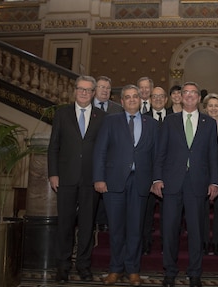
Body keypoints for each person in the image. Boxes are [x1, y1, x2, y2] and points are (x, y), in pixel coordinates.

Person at [151, 82, 218, 287]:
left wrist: (214, 181)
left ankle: (195, 272)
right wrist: (157, 178)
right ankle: (170, 271)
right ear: (179, 97)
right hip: (172, 183)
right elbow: (160, 153)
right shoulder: (170, 121)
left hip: (198, 183)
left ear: (199, 98)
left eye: (193, 93)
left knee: (197, 231)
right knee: (170, 229)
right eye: (185, 93)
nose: (189, 96)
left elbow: (213, 156)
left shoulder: (209, 123)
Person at [93, 84, 158, 286]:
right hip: (113, 182)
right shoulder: (110, 121)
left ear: (140, 100)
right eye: (127, 97)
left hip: (140, 183)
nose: (131, 100)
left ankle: (133, 270)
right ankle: (115, 269)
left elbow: (157, 157)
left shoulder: (152, 124)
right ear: (121, 102)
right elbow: (100, 151)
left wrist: (155, 180)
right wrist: (99, 178)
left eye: (135, 97)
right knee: (116, 228)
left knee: (135, 229)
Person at [48, 75, 106, 283]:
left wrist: (101, 177)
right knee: (64, 224)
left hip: (91, 180)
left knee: (87, 225)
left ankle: (83, 265)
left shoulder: (102, 116)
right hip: (65, 178)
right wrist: (53, 174)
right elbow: (54, 146)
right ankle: (62, 266)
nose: (84, 93)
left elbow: (104, 150)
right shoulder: (62, 114)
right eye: (80, 89)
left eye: (88, 90)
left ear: (93, 94)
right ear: (75, 91)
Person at [142, 86, 172, 255]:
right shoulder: (143, 118)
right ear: (150, 99)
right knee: (146, 213)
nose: (159, 99)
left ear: (166, 99)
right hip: (147, 173)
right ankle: (145, 243)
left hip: (169, 174)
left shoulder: (174, 118)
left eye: (162, 96)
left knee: (167, 213)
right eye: (155, 96)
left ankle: (165, 245)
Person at [93, 76, 124, 232]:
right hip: (91, 156)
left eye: (107, 88)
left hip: (112, 158)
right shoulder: (88, 107)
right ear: (95, 89)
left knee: (108, 190)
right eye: (101, 87)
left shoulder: (118, 108)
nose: (105, 90)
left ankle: (103, 220)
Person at [202, 93, 218, 256]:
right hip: (203, 173)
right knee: (202, 210)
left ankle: (216, 241)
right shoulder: (199, 125)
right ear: (204, 108)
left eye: (216, 105)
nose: (213, 108)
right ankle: (204, 241)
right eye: (210, 105)